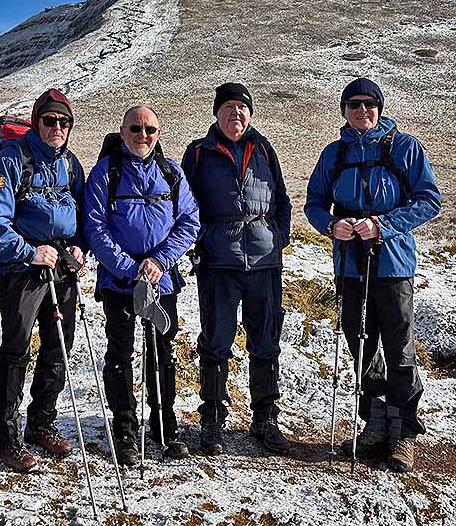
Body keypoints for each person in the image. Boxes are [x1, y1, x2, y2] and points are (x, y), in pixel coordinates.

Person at [305, 77, 441, 472]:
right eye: (354, 104)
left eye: (369, 103)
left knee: (399, 348)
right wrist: (332, 225)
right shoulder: (334, 154)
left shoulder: (404, 147)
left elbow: (429, 199)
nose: (362, 110)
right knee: (361, 344)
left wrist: (384, 224)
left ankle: (403, 429)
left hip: (393, 263)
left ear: (379, 108)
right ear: (344, 110)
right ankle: (376, 420)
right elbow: (315, 202)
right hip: (350, 265)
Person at [84, 106, 200, 464]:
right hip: (120, 281)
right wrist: (129, 267)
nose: (143, 135)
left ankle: (165, 426)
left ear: (159, 133)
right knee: (120, 353)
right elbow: (94, 227)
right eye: (135, 128)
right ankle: (124, 428)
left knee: (162, 352)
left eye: (150, 129)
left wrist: (159, 261)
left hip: (161, 281)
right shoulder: (106, 172)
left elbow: (189, 222)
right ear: (122, 132)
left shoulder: (171, 172)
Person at [0, 88, 86, 473]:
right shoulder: (12, 159)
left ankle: (42, 422)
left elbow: (82, 213)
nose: (57, 127)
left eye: (64, 122)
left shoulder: (70, 163)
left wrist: (80, 246)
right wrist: (28, 251)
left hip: (62, 266)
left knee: (59, 346)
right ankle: (8, 436)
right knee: (16, 349)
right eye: (50, 120)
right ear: (37, 122)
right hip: (21, 268)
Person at [181, 82, 292, 456]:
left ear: (250, 113)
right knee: (216, 341)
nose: (235, 113)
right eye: (228, 107)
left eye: (242, 107)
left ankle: (265, 419)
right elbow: (185, 204)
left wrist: (278, 237)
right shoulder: (199, 152)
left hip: (264, 261)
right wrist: (203, 240)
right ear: (216, 113)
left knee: (266, 341)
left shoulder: (264, 149)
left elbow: (281, 199)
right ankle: (212, 420)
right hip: (219, 263)